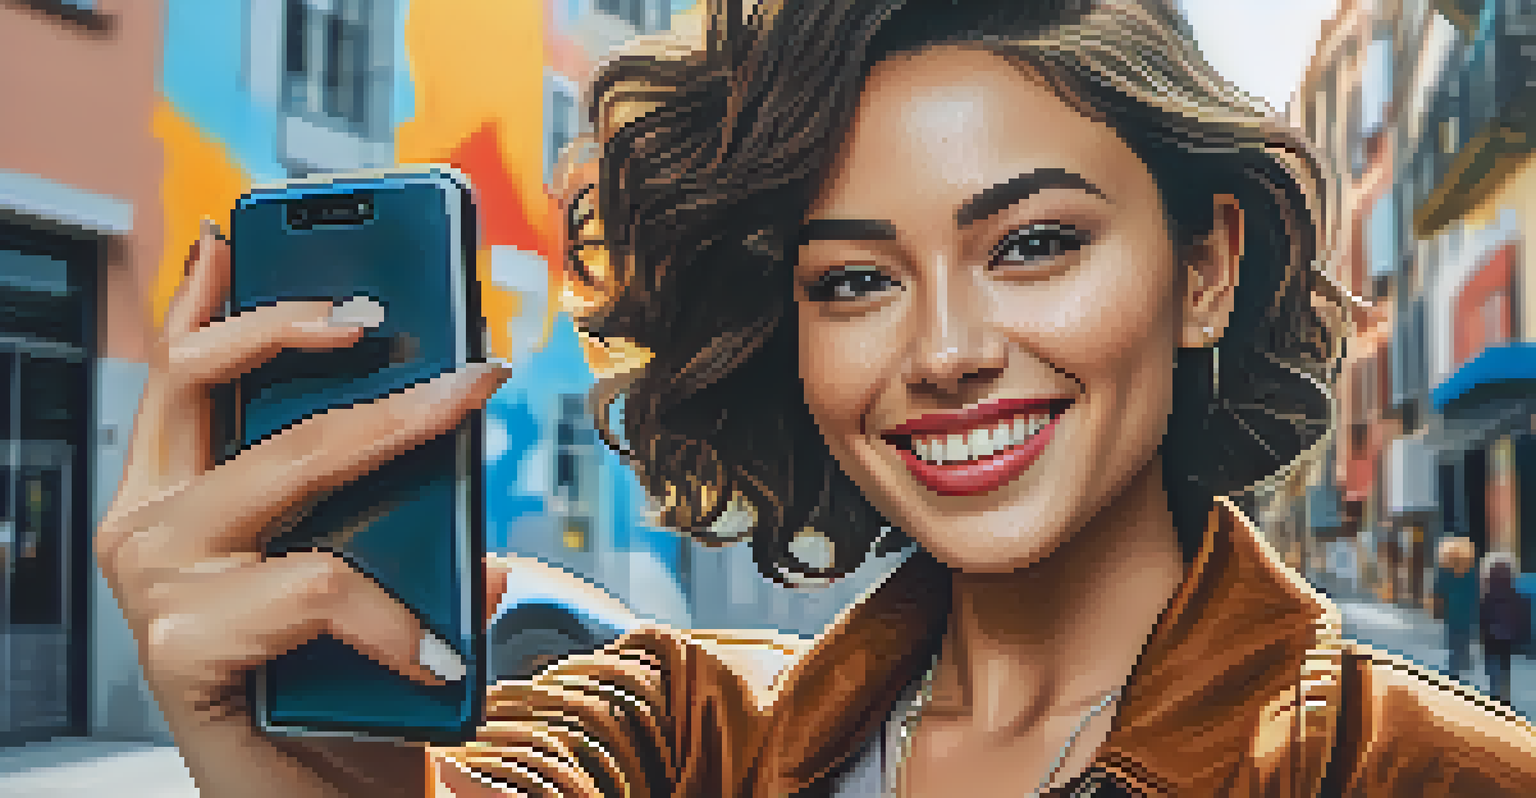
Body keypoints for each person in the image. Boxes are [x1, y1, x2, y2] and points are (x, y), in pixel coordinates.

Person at [96, 0, 1536, 796]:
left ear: (1205, 268)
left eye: (1033, 242)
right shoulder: (674, 730)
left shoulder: (1427, 776)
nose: (948, 349)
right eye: (854, 280)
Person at [1482, 556, 1531, 705]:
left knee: (1492, 665)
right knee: (1504, 665)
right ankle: (1504, 696)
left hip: (1491, 634)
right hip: (1507, 635)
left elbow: (1483, 614)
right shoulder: (1514, 593)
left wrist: (1481, 631)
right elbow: (1522, 615)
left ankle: (1495, 694)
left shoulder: (1488, 594)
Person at [1434, 535, 1479, 680]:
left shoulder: (1444, 571)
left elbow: (1439, 592)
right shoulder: (1472, 570)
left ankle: (1455, 668)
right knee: (1465, 637)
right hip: (1469, 609)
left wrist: (1437, 610)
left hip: (1452, 610)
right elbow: (1477, 591)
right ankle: (1463, 660)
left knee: (1454, 639)